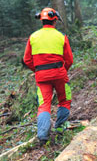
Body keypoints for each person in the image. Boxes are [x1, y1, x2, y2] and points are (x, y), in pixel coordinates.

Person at [23, 7, 73, 144]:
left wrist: (38, 70)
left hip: (41, 76)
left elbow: (27, 60)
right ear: (55, 20)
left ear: (42, 20)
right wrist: (63, 70)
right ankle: (60, 128)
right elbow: (69, 60)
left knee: (44, 104)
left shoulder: (33, 37)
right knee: (65, 99)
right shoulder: (61, 37)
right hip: (59, 74)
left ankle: (43, 135)